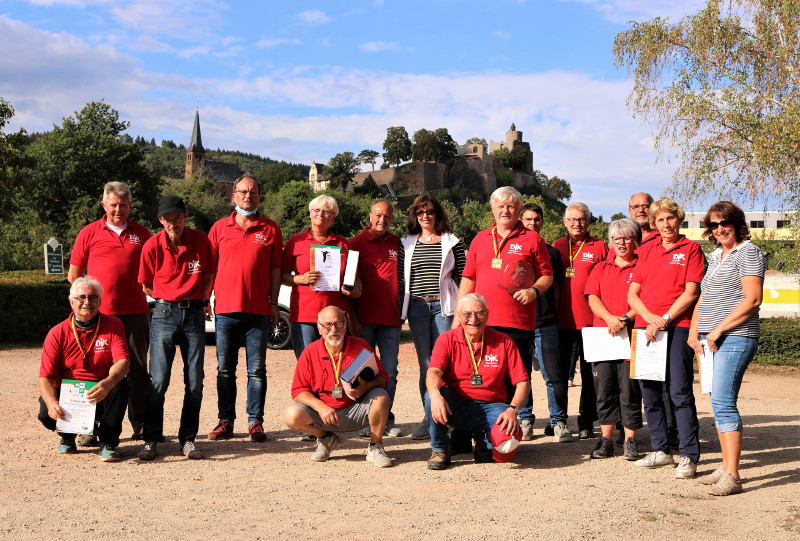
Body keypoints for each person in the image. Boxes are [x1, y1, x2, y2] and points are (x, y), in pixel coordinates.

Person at [455, 187, 553, 442]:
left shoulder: (532, 239)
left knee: (513, 381)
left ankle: (502, 435)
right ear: (493, 209)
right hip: (478, 324)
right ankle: (468, 432)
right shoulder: (480, 239)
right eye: (500, 206)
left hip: (517, 324)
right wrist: (459, 315)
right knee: (474, 378)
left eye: (511, 206)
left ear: (519, 210)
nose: (505, 211)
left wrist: (533, 291)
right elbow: (469, 278)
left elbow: (547, 275)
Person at [688, 202, 765, 495]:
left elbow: (753, 299)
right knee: (717, 401)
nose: (719, 229)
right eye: (714, 225)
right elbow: (704, 298)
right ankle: (725, 465)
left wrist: (719, 329)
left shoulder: (749, 252)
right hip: (711, 339)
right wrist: (696, 331)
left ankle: (733, 476)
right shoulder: (717, 255)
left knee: (723, 401)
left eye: (724, 223)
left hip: (735, 336)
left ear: (737, 223)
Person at [68, 182, 151, 444]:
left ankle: (140, 425)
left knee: (137, 371)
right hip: (98, 317)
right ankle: (90, 426)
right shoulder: (89, 232)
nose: (118, 209)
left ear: (130, 205)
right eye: (113, 204)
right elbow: (74, 274)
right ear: (104, 205)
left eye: (123, 205)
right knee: (95, 372)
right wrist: (81, 306)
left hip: (135, 313)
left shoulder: (143, 233)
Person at [628, 198, 703, 479]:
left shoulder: (691, 248)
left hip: (678, 325)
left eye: (670, 218)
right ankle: (661, 450)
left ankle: (689, 455)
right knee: (649, 392)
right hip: (646, 328)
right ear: (654, 223)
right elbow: (632, 293)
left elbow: (691, 292)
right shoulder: (645, 249)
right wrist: (649, 319)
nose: (666, 224)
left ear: (678, 219)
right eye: (660, 220)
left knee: (679, 392)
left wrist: (665, 320)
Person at [137, 195, 216, 461]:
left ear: (186, 217)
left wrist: (203, 299)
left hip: (194, 313)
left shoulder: (201, 241)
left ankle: (188, 439)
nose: (173, 223)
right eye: (168, 219)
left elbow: (208, 275)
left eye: (178, 218)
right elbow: (146, 284)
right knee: (158, 380)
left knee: (195, 382)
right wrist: (166, 297)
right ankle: (151, 439)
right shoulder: (151, 246)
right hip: (163, 312)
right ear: (161, 220)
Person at [206, 174, 282, 443]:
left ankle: (255, 422)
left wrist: (273, 301)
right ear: (234, 196)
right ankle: (225, 421)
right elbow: (210, 268)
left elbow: (275, 268)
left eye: (253, 192)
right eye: (242, 191)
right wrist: (207, 299)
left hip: (258, 310)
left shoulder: (270, 228)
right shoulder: (218, 228)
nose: (248, 196)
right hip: (226, 309)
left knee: (257, 370)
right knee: (225, 369)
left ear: (260, 196)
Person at [425, 294, 531, 470]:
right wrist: (436, 395)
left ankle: (483, 442)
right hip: (457, 405)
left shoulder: (504, 341)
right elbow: (434, 371)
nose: (473, 319)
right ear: (459, 316)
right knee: (431, 397)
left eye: (479, 313)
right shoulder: (447, 339)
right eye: (467, 314)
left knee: (508, 442)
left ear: (487, 314)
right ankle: (440, 450)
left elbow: (523, 382)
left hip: (492, 406)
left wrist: (513, 410)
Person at [285, 306, 394, 468]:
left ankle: (375, 447)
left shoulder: (360, 346)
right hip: (324, 415)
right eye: (328, 325)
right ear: (319, 328)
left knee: (381, 397)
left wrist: (365, 388)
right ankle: (326, 439)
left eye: (339, 323)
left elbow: (384, 379)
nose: (334, 329)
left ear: (346, 324)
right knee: (291, 414)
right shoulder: (310, 352)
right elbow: (298, 391)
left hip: (356, 409)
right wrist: (321, 407)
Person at [38, 277, 130, 461]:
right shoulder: (57, 332)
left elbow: (123, 362)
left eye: (93, 297)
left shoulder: (113, 325)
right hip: (69, 394)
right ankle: (67, 436)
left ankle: (108, 441)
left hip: (100, 391)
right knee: (45, 414)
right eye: (81, 297)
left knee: (120, 386)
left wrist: (108, 383)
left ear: (100, 301)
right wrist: (51, 404)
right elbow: (45, 376)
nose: (87, 302)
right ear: (71, 301)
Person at [401, 194, 466, 440]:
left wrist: (463, 309)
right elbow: (401, 278)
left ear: (437, 214)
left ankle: (446, 416)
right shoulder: (406, 243)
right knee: (425, 364)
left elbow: (463, 276)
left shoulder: (452, 241)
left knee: (443, 363)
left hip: (444, 307)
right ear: (415, 216)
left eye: (429, 211)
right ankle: (428, 416)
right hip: (417, 308)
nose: (425, 216)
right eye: (420, 212)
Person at [584, 218, 644, 460]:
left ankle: (630, 440)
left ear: (635, 241)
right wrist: (610, 319)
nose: (622, 242)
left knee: (630, 391)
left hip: (633, 336)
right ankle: (606, 440)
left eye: (628, 238)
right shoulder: (600, 267)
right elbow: (592, 298)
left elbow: (645, 299)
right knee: (604, 389)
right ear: (610, 241)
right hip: (603, 336)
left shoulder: (643, 266)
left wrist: (625, 319)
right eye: (617, 238)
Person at [553, 202, 608, 439]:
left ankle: (586, 421)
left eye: (582, 219)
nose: (577, 224)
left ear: (588, 221)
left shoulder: (600, 246)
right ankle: (559, 421)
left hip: (591, 323)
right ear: (565, 222)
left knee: (589, 376)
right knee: (560, 376)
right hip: (562, 322)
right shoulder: (556, 247)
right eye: (573, 220)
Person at [349, 200, 404, 437]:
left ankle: (385, 419)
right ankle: (363, 420)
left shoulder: (397, 243)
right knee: (363, 371)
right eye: (378, 215)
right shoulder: (355, 244)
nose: (383, 220)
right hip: (364, 319)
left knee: (389, 370)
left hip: (390, 318)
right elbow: (348, 285)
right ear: (370, 216)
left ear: (392, 218)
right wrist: (353, 318)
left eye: (388, 217)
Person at [282, 195, 360, 361]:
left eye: (326, 211)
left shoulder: (343, 244)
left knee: (336, 364)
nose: (320, 214)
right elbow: (281, 276)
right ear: (310, 213)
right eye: (316, 210)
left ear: (333, 217)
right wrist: (301, 279)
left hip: (336, 319)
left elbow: (355, 281)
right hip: (304, 315)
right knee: (308, 364)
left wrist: (350, 289)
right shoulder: (295, 242)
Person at [520, 203, 571, 442]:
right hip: (519, 322)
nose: (532, 223)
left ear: (542, 222)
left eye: (536, 219)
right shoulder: (514, 251)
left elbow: (557, 287)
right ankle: (525, 420)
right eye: (528, 219)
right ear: (521, 221)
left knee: (554, 375)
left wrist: (554, 311)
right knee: (521, 375)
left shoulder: (552, 253)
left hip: (545, 322)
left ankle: (559, 422)